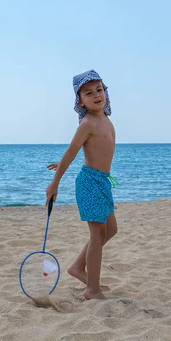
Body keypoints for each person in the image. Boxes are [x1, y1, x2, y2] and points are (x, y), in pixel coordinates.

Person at [46, 69, 117, 300]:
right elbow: (72, 150)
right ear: (80, 101)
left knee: (111, 230)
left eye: (99, 89)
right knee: (96, 234)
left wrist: (61, 162)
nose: (96, 95)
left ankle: (78, 267)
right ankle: (92, 290)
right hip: (89, 182)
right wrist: (54, 183)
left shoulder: (105, 119)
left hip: (102, 182)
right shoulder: (87, 123)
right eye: (89, 93)